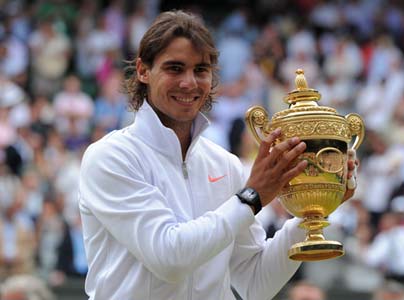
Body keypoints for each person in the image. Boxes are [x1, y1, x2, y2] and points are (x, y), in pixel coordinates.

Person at [78, 10, 358, 300]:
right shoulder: (110, 157)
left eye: (200, 70)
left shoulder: (225, 164)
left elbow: (255, 282)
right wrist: (252, 197)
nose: (189, 82)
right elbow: (168, 257)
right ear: (143, 71)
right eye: (175, 68)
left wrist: (314, 210)